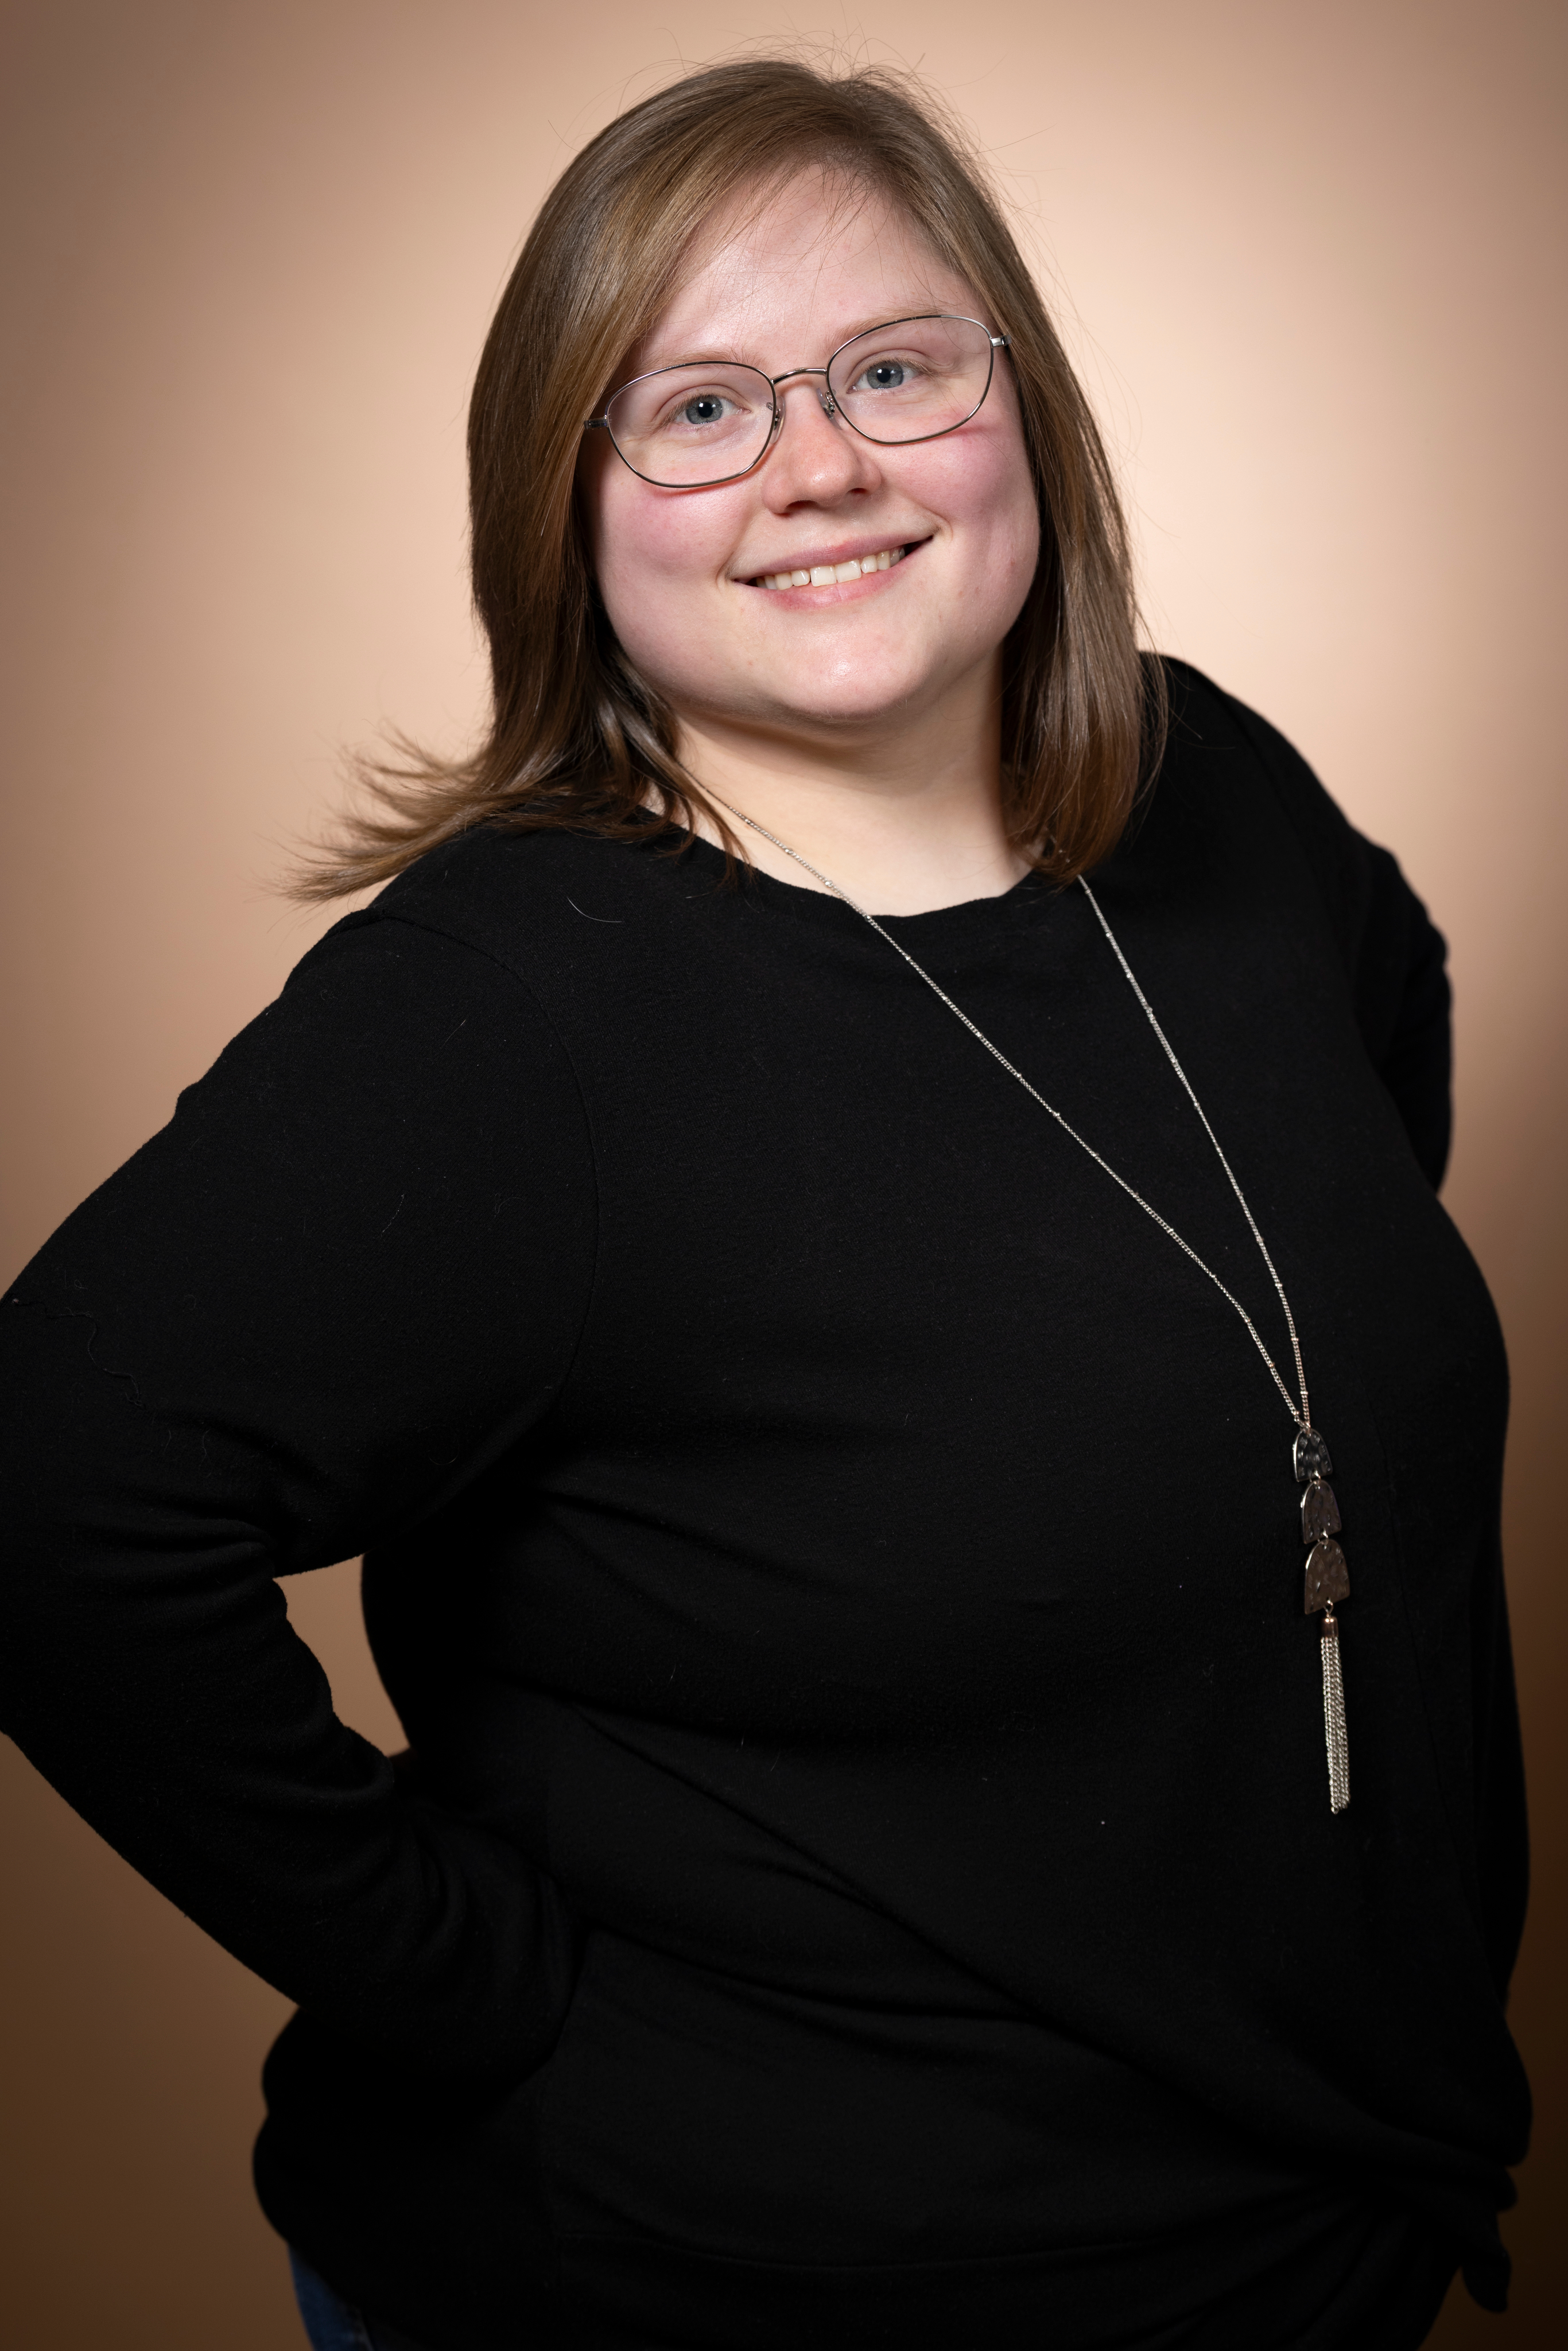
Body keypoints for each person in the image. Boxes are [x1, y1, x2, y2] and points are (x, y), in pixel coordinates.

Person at [0, 55, 1529, 2351]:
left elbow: (1361, 1090)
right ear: (563, 509)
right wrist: (474, 1977)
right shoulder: (506, 1009)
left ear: (1021, 412)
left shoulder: (1203, 788)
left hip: (1294, 2241)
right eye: (697, 409)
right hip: (734, 2284)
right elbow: (50, 1495)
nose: (817, 465)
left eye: (893, 370)